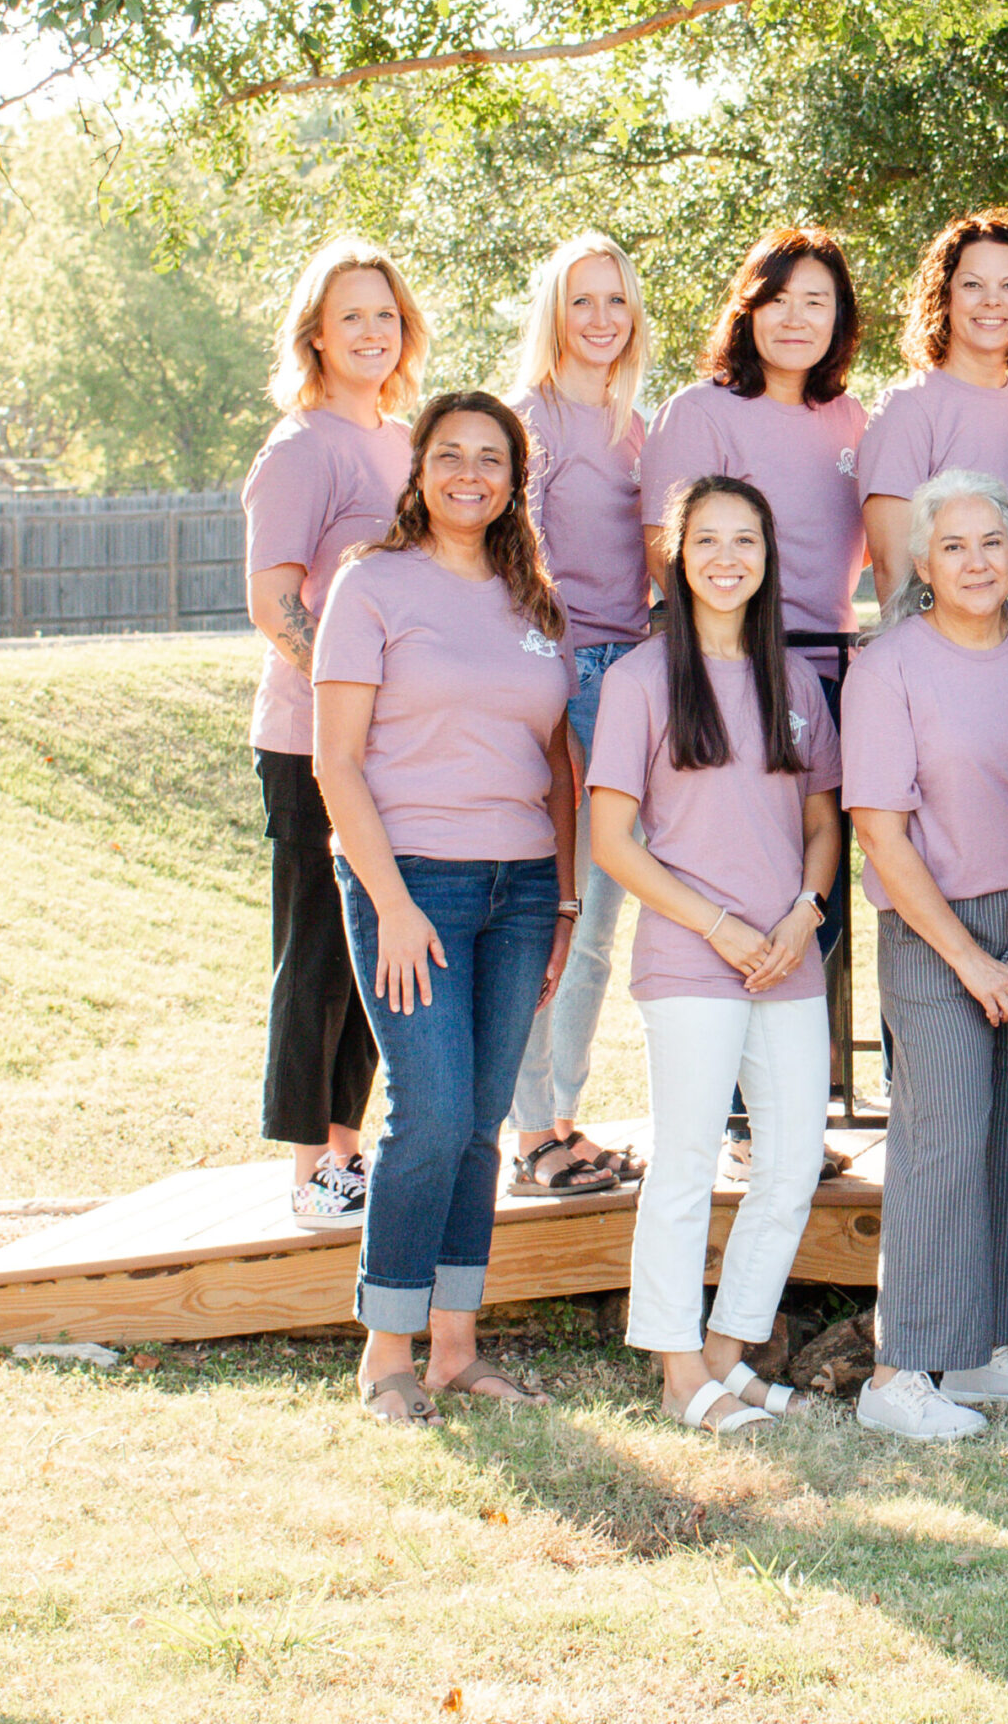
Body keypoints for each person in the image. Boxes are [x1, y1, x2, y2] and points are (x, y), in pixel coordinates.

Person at [311, 392, 578, 1425]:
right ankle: (385, 1353)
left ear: (517, 480)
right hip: (411, 881)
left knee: (476, 1127)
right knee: (427, 1116)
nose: (473, 474)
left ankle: (457, 1350)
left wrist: (559, 907)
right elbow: (336, 762)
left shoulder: (532, 600)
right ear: (419, 468)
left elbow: (557, 763)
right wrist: (393, 902)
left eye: (494, 460)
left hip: (519, 894)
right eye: (453, 456)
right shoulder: (372, 586)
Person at [846, 471, 1008, 1439]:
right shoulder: (890, 665)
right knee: (944, 1138)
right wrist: (972, 960)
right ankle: (902, 1369)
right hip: (934, 926)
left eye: (991, 541)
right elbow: (880, 829)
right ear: (921, 562)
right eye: (953, 545)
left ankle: (990, 1348)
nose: (977, 561)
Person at [588, 474, 842, 1434]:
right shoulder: (641, 680)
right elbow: (614, 841)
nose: (727, 559)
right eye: (708, 542)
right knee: (689, 1160)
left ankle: (729, 1354)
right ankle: (675, 1366)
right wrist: (723, 927)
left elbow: (823, 823)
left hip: (786, 958)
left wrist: (803, 914)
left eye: (747, 541)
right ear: (678, 555)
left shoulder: (798, 681)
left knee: (788, 1167)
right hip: (695, 959)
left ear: (769, 557)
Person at [241, 235, 428, 1229]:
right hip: (310, 740)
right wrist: (351, 691)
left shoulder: (401, 443)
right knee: (317, 948)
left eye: (385, 315)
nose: (370, 331)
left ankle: (350, 1157)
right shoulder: (300, 448)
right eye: (350, 315)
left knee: (371, 954)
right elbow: (275, 605)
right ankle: (312, 1170)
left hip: (392, 748)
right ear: (315, 332)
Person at [502, 230, 653, 1202]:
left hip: (637, 679)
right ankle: (529, 1135)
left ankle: (561, 1119)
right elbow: (520, 570)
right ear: (554, 312)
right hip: (567, 683)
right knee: (556, 918)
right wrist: (556, 701)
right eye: (581, 301)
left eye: (615, 301)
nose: (600, 320)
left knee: (600, 927)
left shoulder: (642, 423)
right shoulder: (532, 420)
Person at [644, 227, 868, 684]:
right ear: (749, 311)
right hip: (739, 672)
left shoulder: (853, 419)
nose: (794, 319)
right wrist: (743, 658)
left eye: (814, 302)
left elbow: (863, 545)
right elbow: (664, 555)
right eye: (777, 300)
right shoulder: (697, 413)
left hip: (840, 673)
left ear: (838, 317)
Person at [861, 210, 1008, 603]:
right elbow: (892, 572)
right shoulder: (906, 410)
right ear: (944, 296)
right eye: (972, 284)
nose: (991, 301)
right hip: (938, 651)